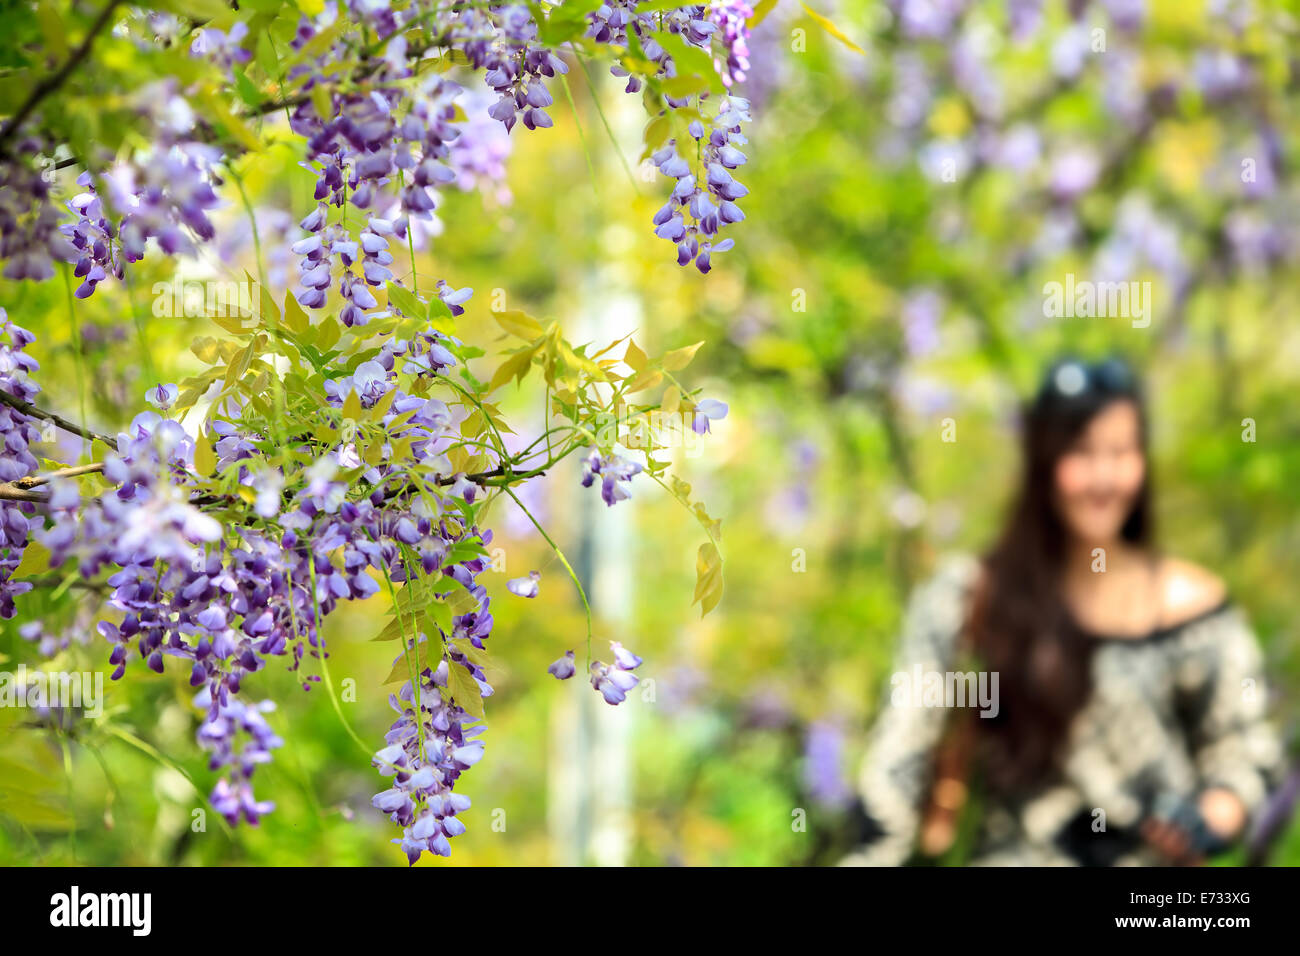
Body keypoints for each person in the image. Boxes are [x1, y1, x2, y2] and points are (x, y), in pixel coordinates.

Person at [843, 357, 1284, 866]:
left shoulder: (1195, 606)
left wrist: (1209, 816)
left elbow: (1247, 753)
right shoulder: (968, 598)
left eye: (1120, 452)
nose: (1104, 476)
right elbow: (900, 758)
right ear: (1043, 463)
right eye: (1080, 452)